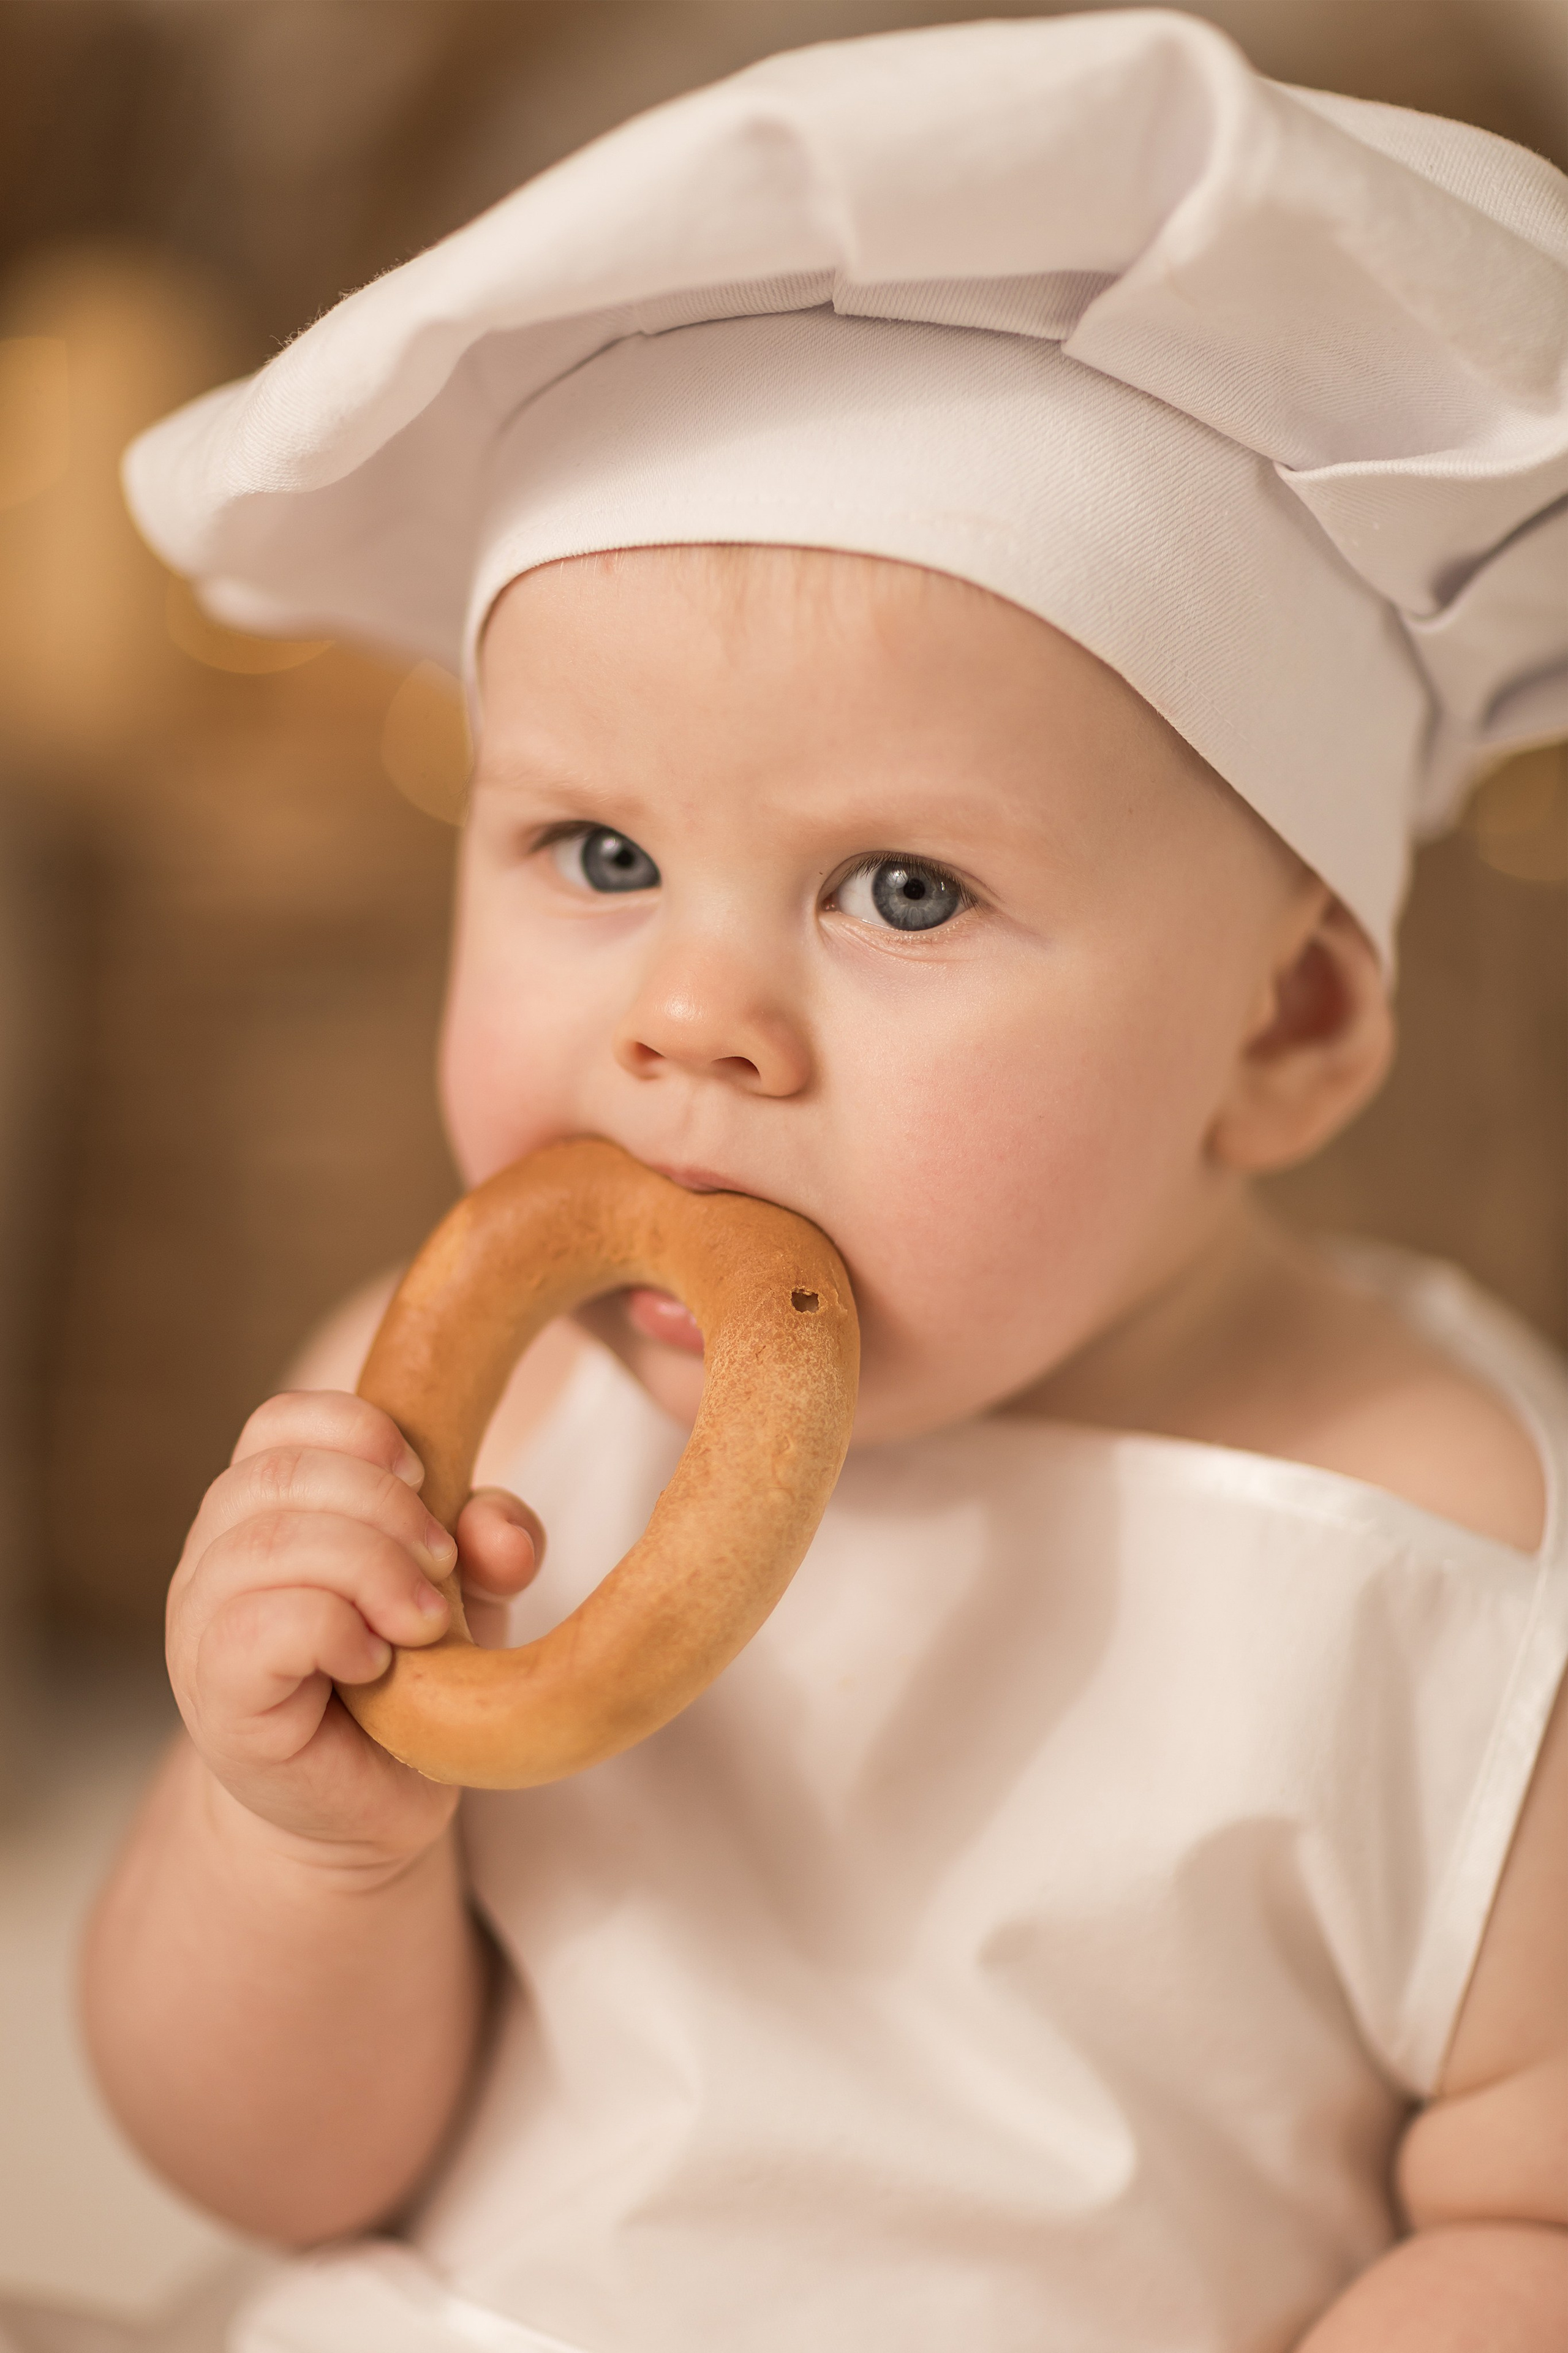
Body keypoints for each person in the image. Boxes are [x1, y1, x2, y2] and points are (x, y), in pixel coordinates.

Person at [70, 13, 1568, 2351]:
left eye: (898, 891)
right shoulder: (447, 1449)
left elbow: (1532, 2229)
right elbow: (267, 2164)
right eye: (596, 849)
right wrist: (300, 1839)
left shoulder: (1458, 1558)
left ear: (1279, 1034)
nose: (694, 1021)